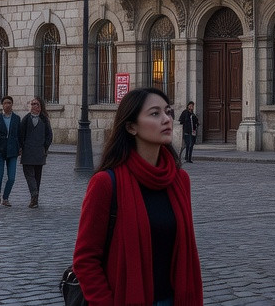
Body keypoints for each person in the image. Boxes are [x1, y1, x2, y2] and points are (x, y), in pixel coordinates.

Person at [71, 87, 203, 306]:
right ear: (131, 127)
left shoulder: (180, 180)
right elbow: (85, 260)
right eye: (155, 113)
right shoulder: (105, 183)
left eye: (168, 112)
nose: (166, 119)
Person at [18, 98, 53, 207]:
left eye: (36, 104)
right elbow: (20, 134)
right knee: (29, 174)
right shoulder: (26, 119)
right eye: (32, 104)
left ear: (40, 106)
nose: (34, 106)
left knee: (37, 176)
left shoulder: (44, 120)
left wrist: (44, 147)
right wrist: (21, 147)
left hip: (39, 152)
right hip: (28, 152)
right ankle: (34, 194)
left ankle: (35, 198)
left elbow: (49, 136)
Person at [0, 95, 21, 206]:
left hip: (12, 151)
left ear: (12, 104)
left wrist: (19, 146)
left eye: (9, 103)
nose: (7, 105)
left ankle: (5, 198)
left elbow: (19, 134)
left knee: (11, 177)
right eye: (5, 103)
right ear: (2, 105)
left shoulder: (16, 118)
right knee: (0, 175)